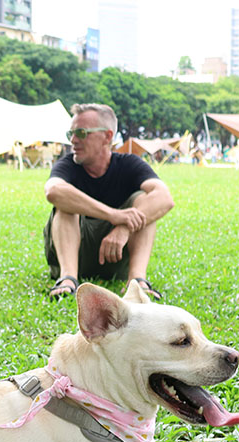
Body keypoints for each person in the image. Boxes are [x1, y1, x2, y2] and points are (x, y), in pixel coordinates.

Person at [42, 103, 174, 300]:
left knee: (143, 202)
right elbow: (53, 191)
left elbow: (164, 198)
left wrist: (124, 228)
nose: (73, 140)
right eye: (71, 133)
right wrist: (115, 215)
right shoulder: (68, 164)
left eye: (82, 132)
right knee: (66, 204)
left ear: (107, 136)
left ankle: (137, 281)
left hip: (116, 257)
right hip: (76, 256)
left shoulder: (129, 164)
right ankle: (68, 279)